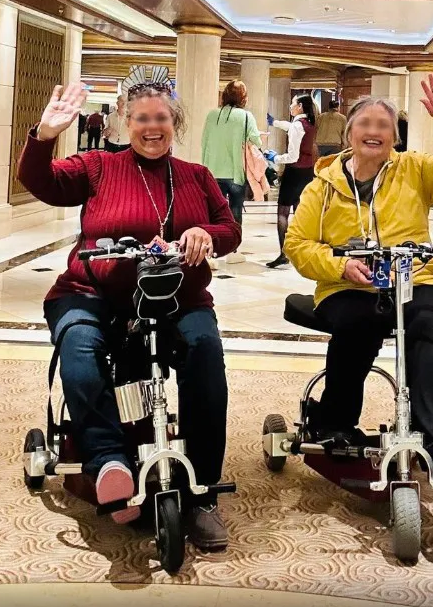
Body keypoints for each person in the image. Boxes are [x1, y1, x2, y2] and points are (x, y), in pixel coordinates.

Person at [18, 80, 241, 551]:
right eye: (142, 118)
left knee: (205, 353)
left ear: (175, 123)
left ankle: (202, 493)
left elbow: (229, 229)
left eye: (161, 118)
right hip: (93, 293)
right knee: (79, 345)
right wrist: (45, 135)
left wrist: (206, 233)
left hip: (179, 298)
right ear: (126, 122)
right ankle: (110, 463)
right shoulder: (99, 166)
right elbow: (41, 182)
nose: (152, 127)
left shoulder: (196, 176)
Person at [283, 75, 433, 486]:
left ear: (395, 136)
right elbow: (297, 244)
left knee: (425, 324)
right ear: (349, 133)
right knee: (356, 322)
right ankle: (334, 423)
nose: (373, 132)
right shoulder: (321, 186)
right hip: (347, 285)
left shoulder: (416, 169)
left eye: (383, 126)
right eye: (365, 124)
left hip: (417, 279)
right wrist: (339, 267)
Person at [264, 94, 317, 269]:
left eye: (293, 103)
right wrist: (275, 123)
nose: (290, 106)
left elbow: (293, 156)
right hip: (307, 172)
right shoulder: (309, 123)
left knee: (283, 213)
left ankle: (284, 254)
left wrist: (275, 158)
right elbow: (291, 127)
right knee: (300, 212)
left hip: (294, 172)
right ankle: (302, 251)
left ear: (300, 106)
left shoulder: (297, 126)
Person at [201, 80, 262, 226]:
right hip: (236, 172)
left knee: (216, 213)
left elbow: (204, 142)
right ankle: (234, 238)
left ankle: (218, 236)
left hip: (213, 172)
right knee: (235, 213)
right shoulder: (246, 116)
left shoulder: (212, 115)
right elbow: (257, 141)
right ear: (243, 97)